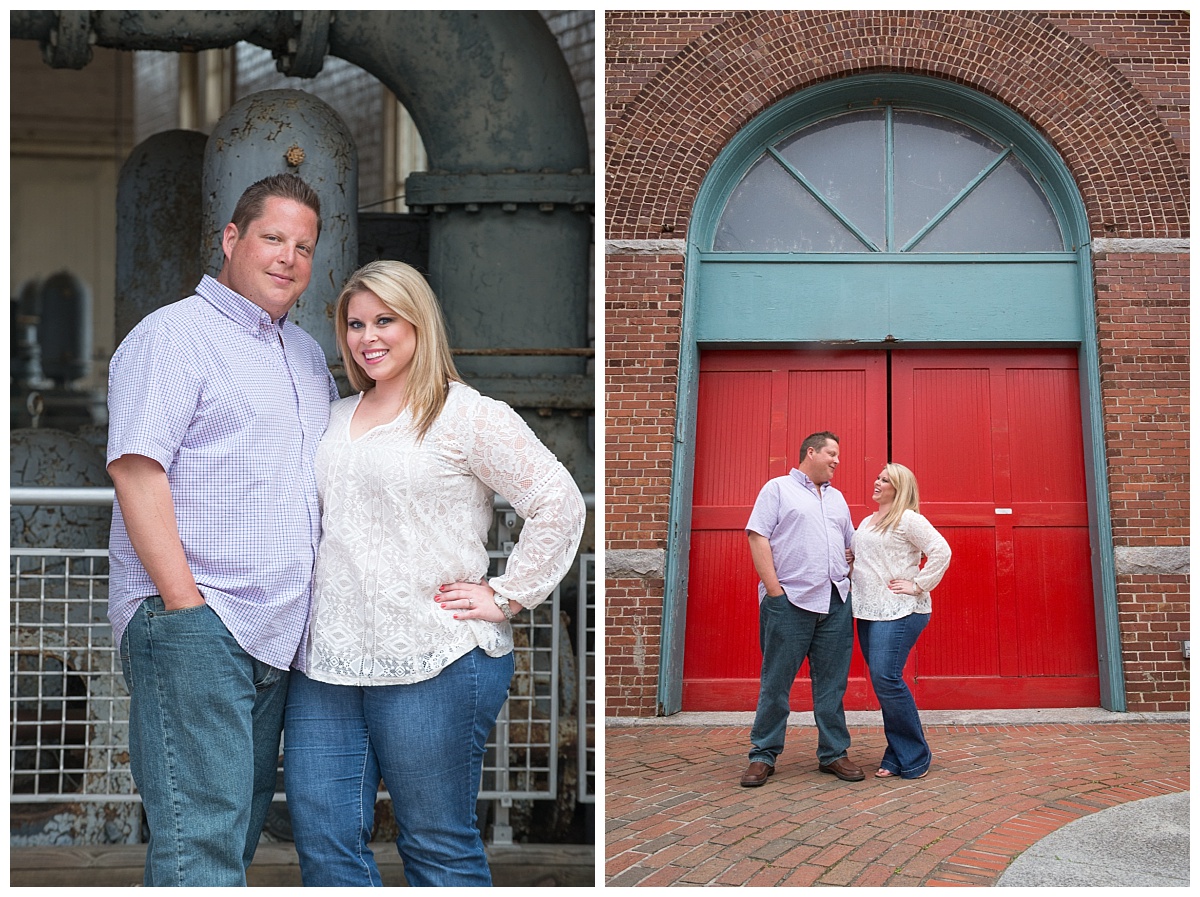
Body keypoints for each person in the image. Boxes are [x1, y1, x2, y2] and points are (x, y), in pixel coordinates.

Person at [283, 260, 586, 887]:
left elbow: (558, 501)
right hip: (327, 661)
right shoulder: (333, 417)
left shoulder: (467, 415)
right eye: (356, 323)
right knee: (324, 844)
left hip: (436, 655)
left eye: (385, 320)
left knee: (434, 844)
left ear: (419, 322)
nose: (369, 336)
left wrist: (507, 594)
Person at [107, 173, 339, 886]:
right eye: (273, 237)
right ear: (231, 239)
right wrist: (186, 607)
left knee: (232, 836)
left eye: (303, 246)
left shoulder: (302, 353)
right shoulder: (174, 336)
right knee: (198, 844)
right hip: (199, 624)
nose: (288, 258)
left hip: (275, 635)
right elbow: (137, 471)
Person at [740, 431, 863, 787]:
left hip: (835, 602)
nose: (837, 461)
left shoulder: (838, 499)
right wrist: (775, 593)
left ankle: (834, 754)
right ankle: (763, 754)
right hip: (790, 602)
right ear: (811, 452)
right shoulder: (777, 489)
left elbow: (850, 545)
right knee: (776, 682)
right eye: (832, 453)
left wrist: (850, 568)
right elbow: (756, 535)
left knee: (831, 685)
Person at [850, 463, 951, 779]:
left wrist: (918, 584)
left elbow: (941, 550)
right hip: (867, 611)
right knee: (884, 682)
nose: (877, 482)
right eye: (878, 477)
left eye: (885, 480)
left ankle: (915, 755)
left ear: (900, 488)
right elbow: (865, 560)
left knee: (886, 678)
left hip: (901, 610)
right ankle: (896, 755)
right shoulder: (867, 521)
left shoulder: (908, 519)